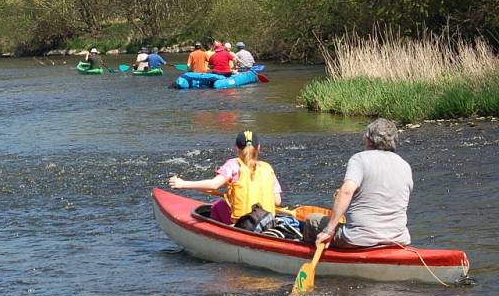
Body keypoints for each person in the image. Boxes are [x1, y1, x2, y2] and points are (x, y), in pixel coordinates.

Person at [304, 118, 413, 248]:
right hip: (399, 239)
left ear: (368, 140)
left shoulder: (359, 159)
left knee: (312, 220)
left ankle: (307, 255)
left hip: (358, 238)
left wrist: (329, 230)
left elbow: (347, 191)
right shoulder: (405, 165)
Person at [169, 130, 283, 225]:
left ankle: (216, 236)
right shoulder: (267, 168)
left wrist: (183, 184)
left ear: (236, 148)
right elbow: (277, 201)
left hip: (242, 223)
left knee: (218, 205)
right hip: (268, 221)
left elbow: (214, 184)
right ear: (258, 148)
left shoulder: (233, 165)